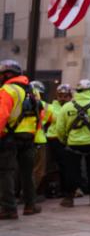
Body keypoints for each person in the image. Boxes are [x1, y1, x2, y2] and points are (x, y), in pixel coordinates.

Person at [54, 79, 90, 208]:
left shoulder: (67, 107)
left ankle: (69, 198)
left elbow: (60, 128)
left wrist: (64, 140)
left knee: (71, 171)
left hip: (73, 144)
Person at [0, 60, 41, 219]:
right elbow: (40, 115)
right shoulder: (33, 91)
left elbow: (2, 116)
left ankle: (9, 209)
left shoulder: (7, 90)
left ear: (8, 75)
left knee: (6, 173)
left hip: (9, 138)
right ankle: (30, 205)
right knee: (27, 173)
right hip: (29, 138)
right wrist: (34, 134)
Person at [44, 84, 72, 198]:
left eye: (65, 96)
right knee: (54, 166)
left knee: (66, 166)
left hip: (67, 139)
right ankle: (54, 190)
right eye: (60, 95)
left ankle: (66, 190)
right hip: (53, 139)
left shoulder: (72, 107)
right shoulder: (51, 107)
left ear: (70, 96)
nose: (62, 98)